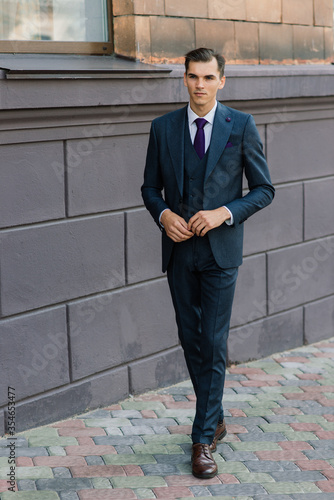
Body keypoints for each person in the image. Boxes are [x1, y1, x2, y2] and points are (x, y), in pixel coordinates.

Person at [141, 47, 275, 479]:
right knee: (190, 338)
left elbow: (264, 189)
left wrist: (224, 213)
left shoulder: (241, 126)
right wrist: (163, 215)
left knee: (213, 340)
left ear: (222, 81)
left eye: (208, 77)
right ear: (184, 79)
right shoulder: (163, 128)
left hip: (221, 253)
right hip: (180, 251)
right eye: (192, 76)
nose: (200, 84)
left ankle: (201, 439)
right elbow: (149, 188)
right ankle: (214, 415)